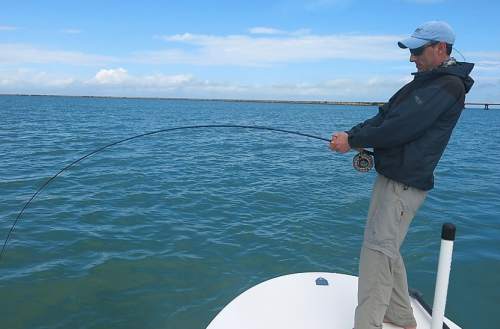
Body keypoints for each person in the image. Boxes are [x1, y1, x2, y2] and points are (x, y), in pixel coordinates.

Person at [328, 21, 474, 329]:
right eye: (411, 51)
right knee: (385, 248)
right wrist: (351, 134)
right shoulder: (422, 83)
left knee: (376, 253)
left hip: (403, 184)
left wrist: (353, 143)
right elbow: (386, 115)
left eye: (417, 51)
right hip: (393, 178)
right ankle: (399, 315)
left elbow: (400, 127)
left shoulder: (448, 85)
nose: (412, 58)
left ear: (440, 49)